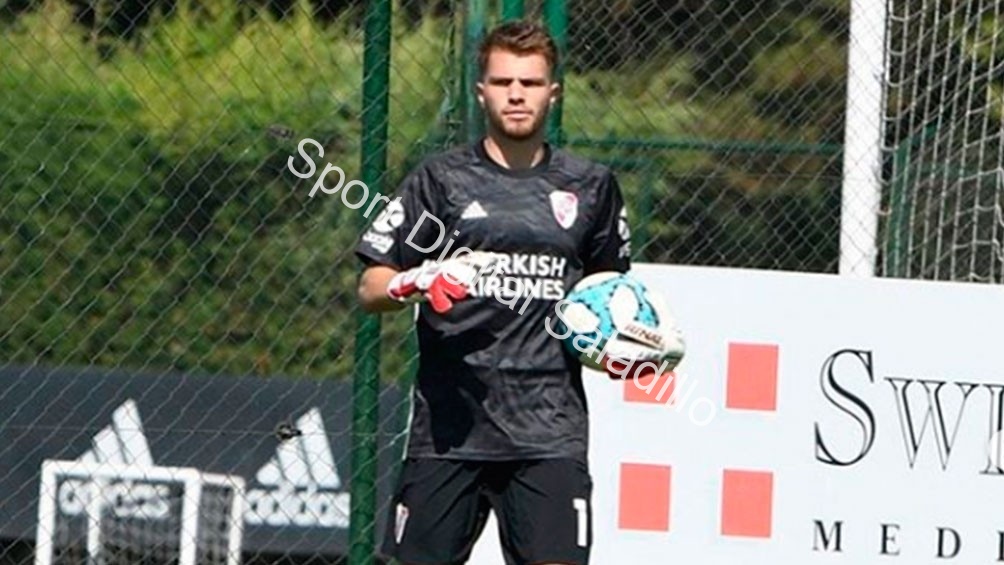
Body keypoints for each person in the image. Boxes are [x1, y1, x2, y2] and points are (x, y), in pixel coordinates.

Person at [355, 20, 676, 565]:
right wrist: (416, 280)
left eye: (530, 83)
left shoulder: (591, 186)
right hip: (449, 430)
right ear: (481, 91)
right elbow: (370, 286)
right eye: (503, 82)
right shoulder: (439, 180)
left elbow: (609, 296)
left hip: (548, 432)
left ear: (554, 92)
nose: (517, 94)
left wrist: (624, 348)